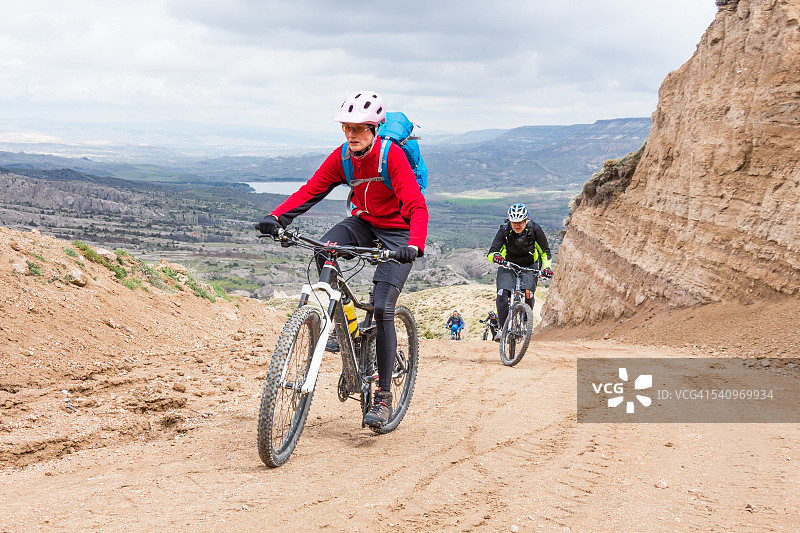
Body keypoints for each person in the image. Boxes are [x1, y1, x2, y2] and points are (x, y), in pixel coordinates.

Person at [257, 91, 428, 429]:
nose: (351, 135)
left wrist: (415, 244)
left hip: (399, 230)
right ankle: (342, 324)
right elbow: (312, 189)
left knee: (382, 308)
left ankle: (382, 396)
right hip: (364, 221)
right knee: (325, 248)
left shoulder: (390, 156)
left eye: (359, 129)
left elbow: (417, 204)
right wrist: (278, 218)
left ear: (374, 128)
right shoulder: (343, 157)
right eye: (346, 128)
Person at [487, 203, 553, 339]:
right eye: (514, 222)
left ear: (526, 220)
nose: (517, 225)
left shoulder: (534, 229)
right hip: (508, 265)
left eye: (520, 222)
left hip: (530, 265)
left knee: (528, 294)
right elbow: (491, 253)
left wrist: (547, 267)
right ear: (509, 220)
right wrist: (497, 257)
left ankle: (525, 322)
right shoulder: (504, 230)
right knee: (502, 294)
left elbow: (545, 251)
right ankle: (502, 328)